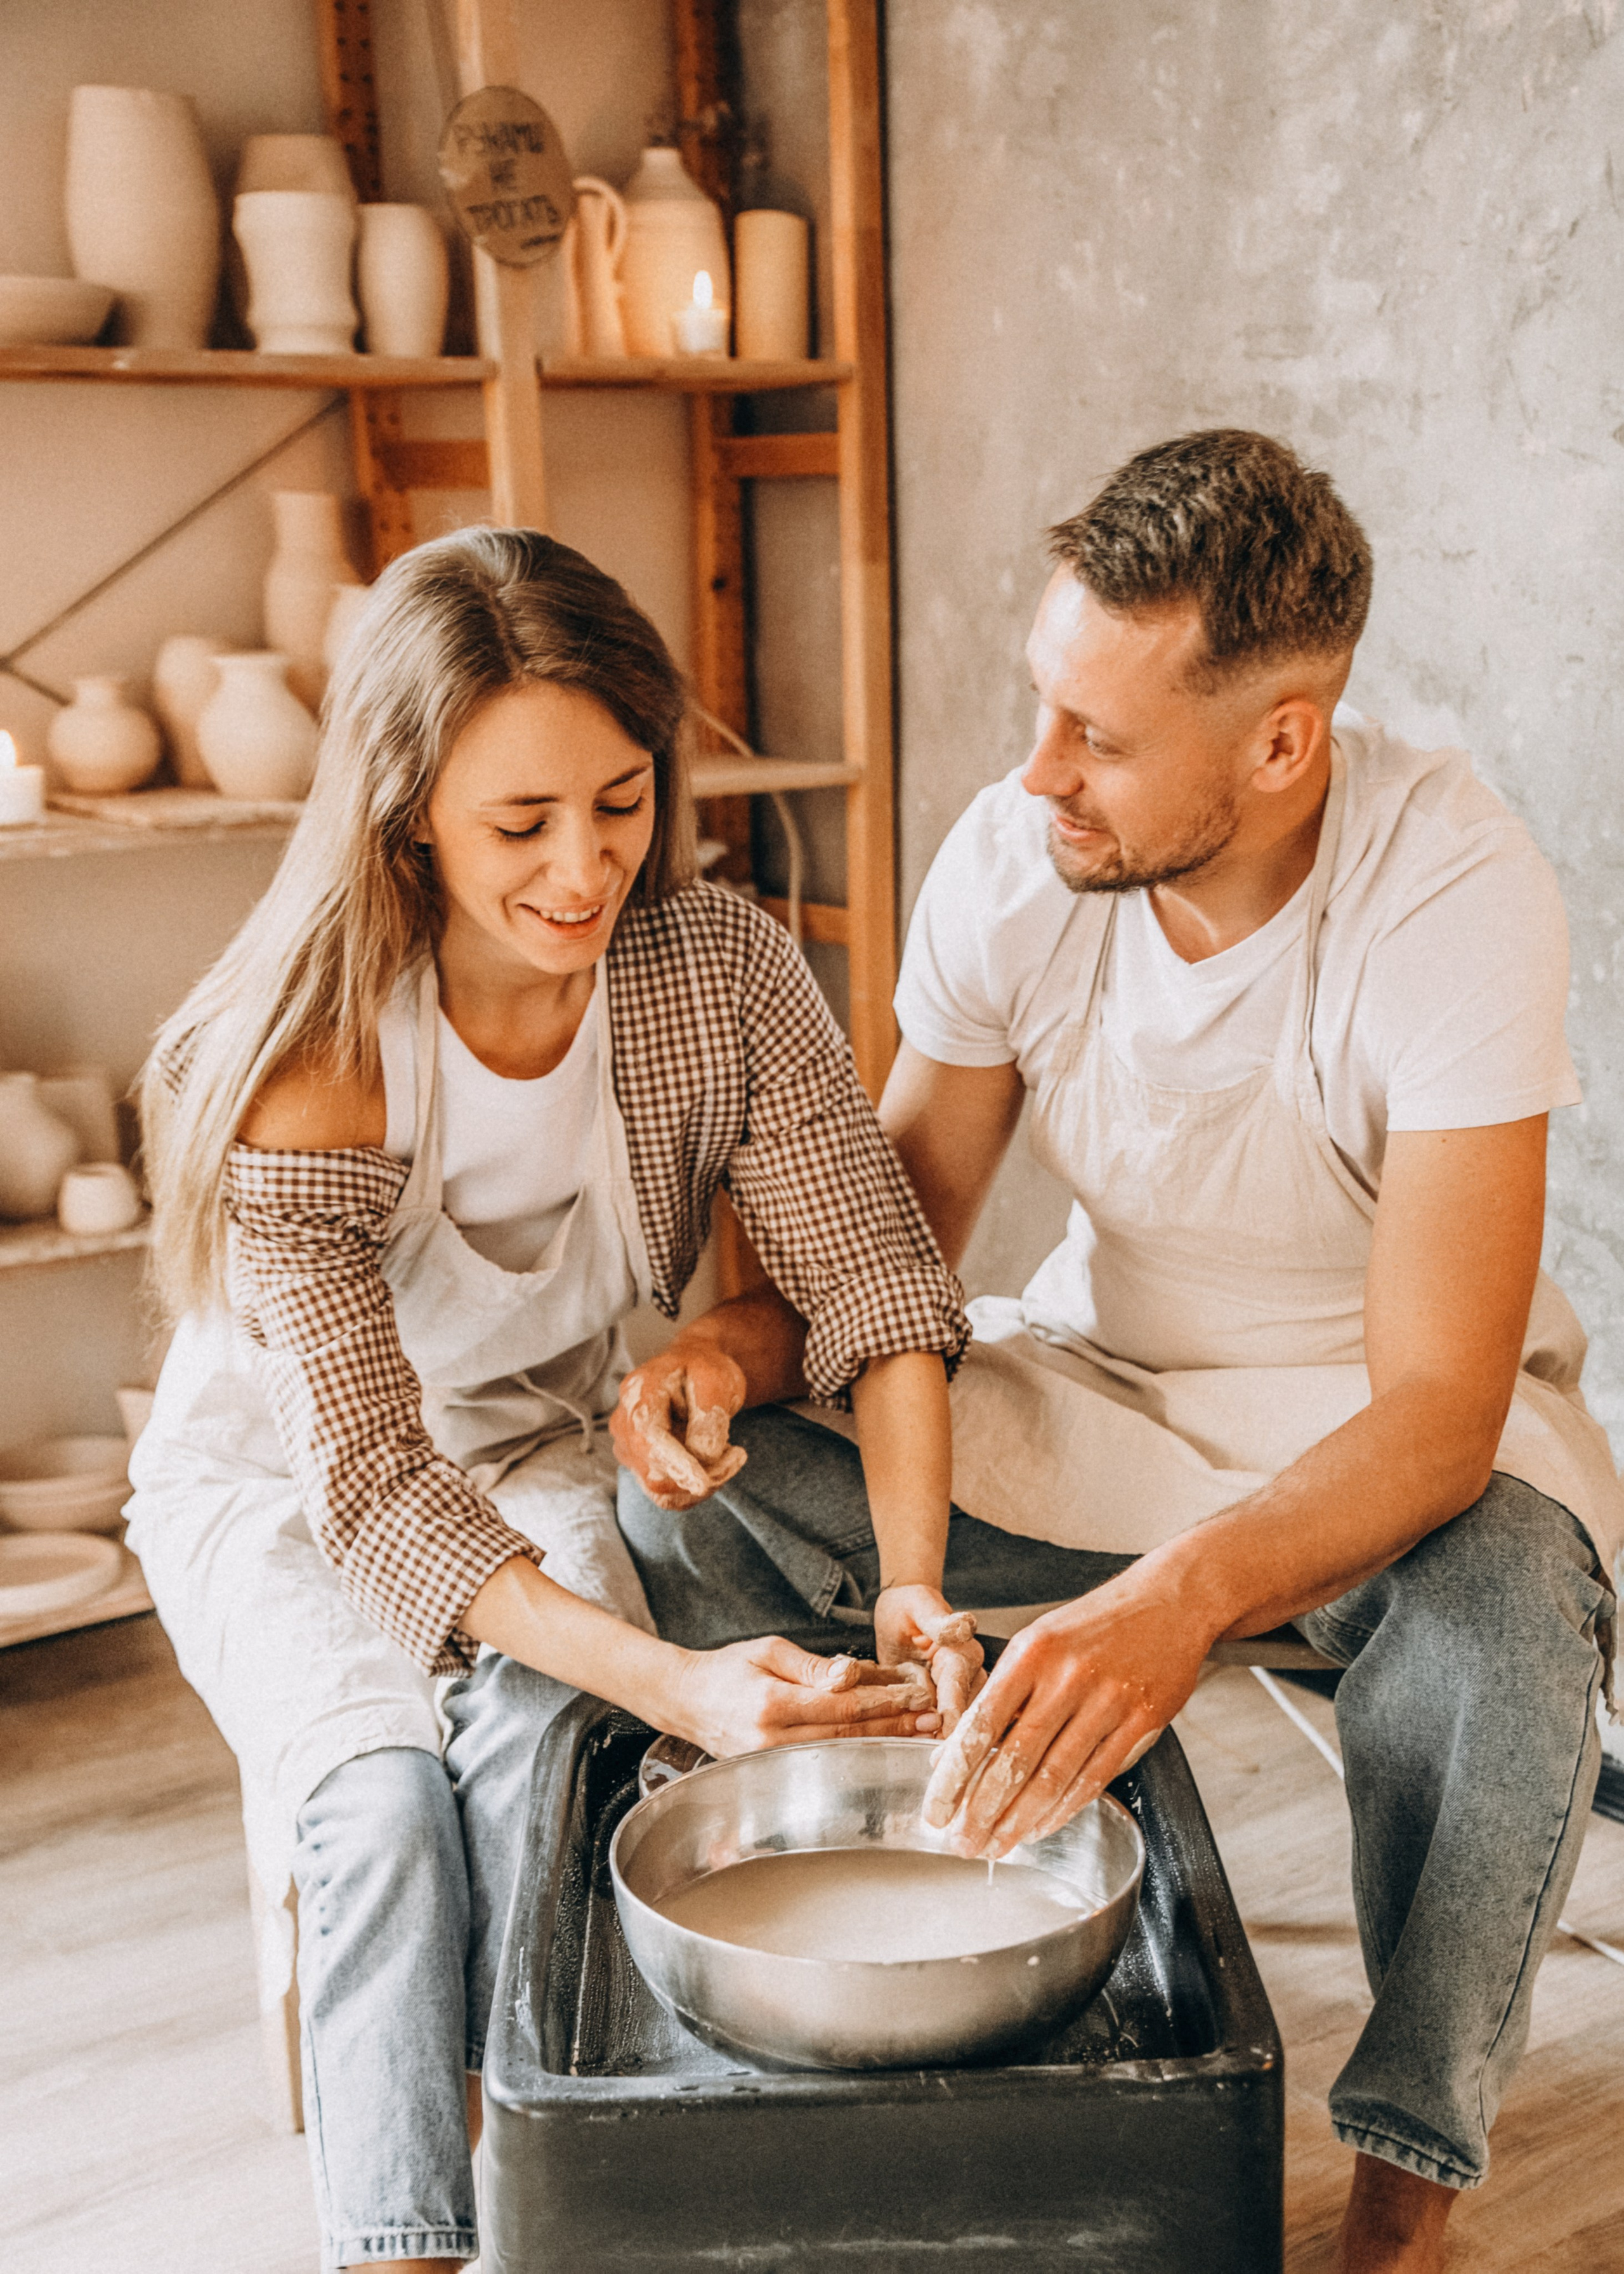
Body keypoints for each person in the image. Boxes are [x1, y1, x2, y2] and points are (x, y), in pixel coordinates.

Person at [615, 431, 1621, 2274]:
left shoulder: (1454, 895)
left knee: (1511, 1625)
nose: (1034, 772)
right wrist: (727, 1354)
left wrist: (1169, 1612)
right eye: (1040, 705)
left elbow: (1440, 1412)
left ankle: (1407, 2185)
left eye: (1098, 737)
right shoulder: (1021, 859)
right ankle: (863, 1930)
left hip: (1386, 1449)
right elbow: (894, 1241)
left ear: (1283, 744)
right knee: (699, 1509)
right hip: (1096, 1396)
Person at [126, 527, 972, 2274]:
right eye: (522, 825)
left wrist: (912, 1585)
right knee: (374, 1805)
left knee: (547, 1755)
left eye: (621, 799)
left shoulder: (714, 976)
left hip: (519, 1454)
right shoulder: (316, 1048)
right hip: (280, 1491)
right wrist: (685, 1682)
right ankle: (410, 2246)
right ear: (405, 807)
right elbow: (365, 1488)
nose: (586, 866)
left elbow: (876, 1286)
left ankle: (549, 2200)